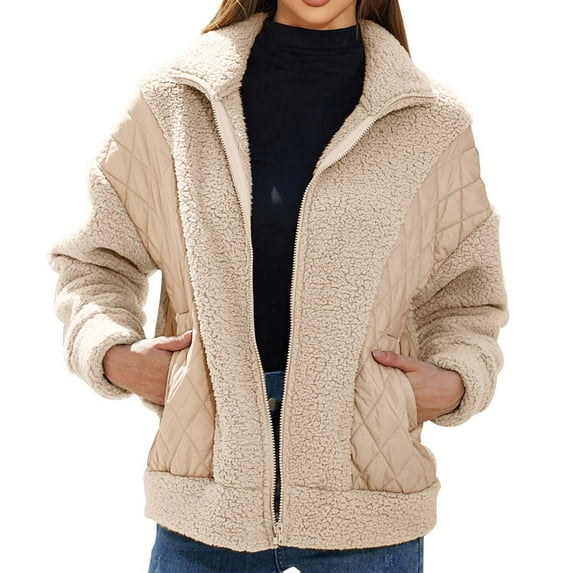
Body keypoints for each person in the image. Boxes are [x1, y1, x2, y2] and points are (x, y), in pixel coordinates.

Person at [48, 0, 509, 571]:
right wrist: (113, 355)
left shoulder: (431, 121)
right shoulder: (179, 99)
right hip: (206, 496)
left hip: (369, 495)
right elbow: (94, 261)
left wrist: (457, 378)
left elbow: (466, 294)